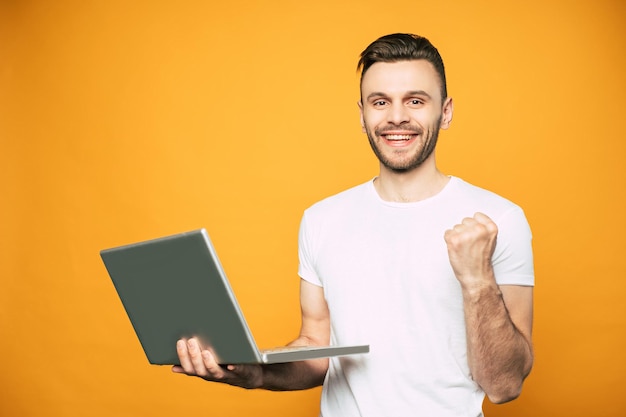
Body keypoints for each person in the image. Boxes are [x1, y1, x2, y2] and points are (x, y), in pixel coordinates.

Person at [172, 33, 534, 416]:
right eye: (381, 102)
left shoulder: (499, 220)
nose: (396, 117)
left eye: (415, 101)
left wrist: (478, 281)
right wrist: (255, 371)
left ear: (445, 112)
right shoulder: (321, 220)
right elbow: (317, 347)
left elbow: (504, 385)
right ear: (362, 114)